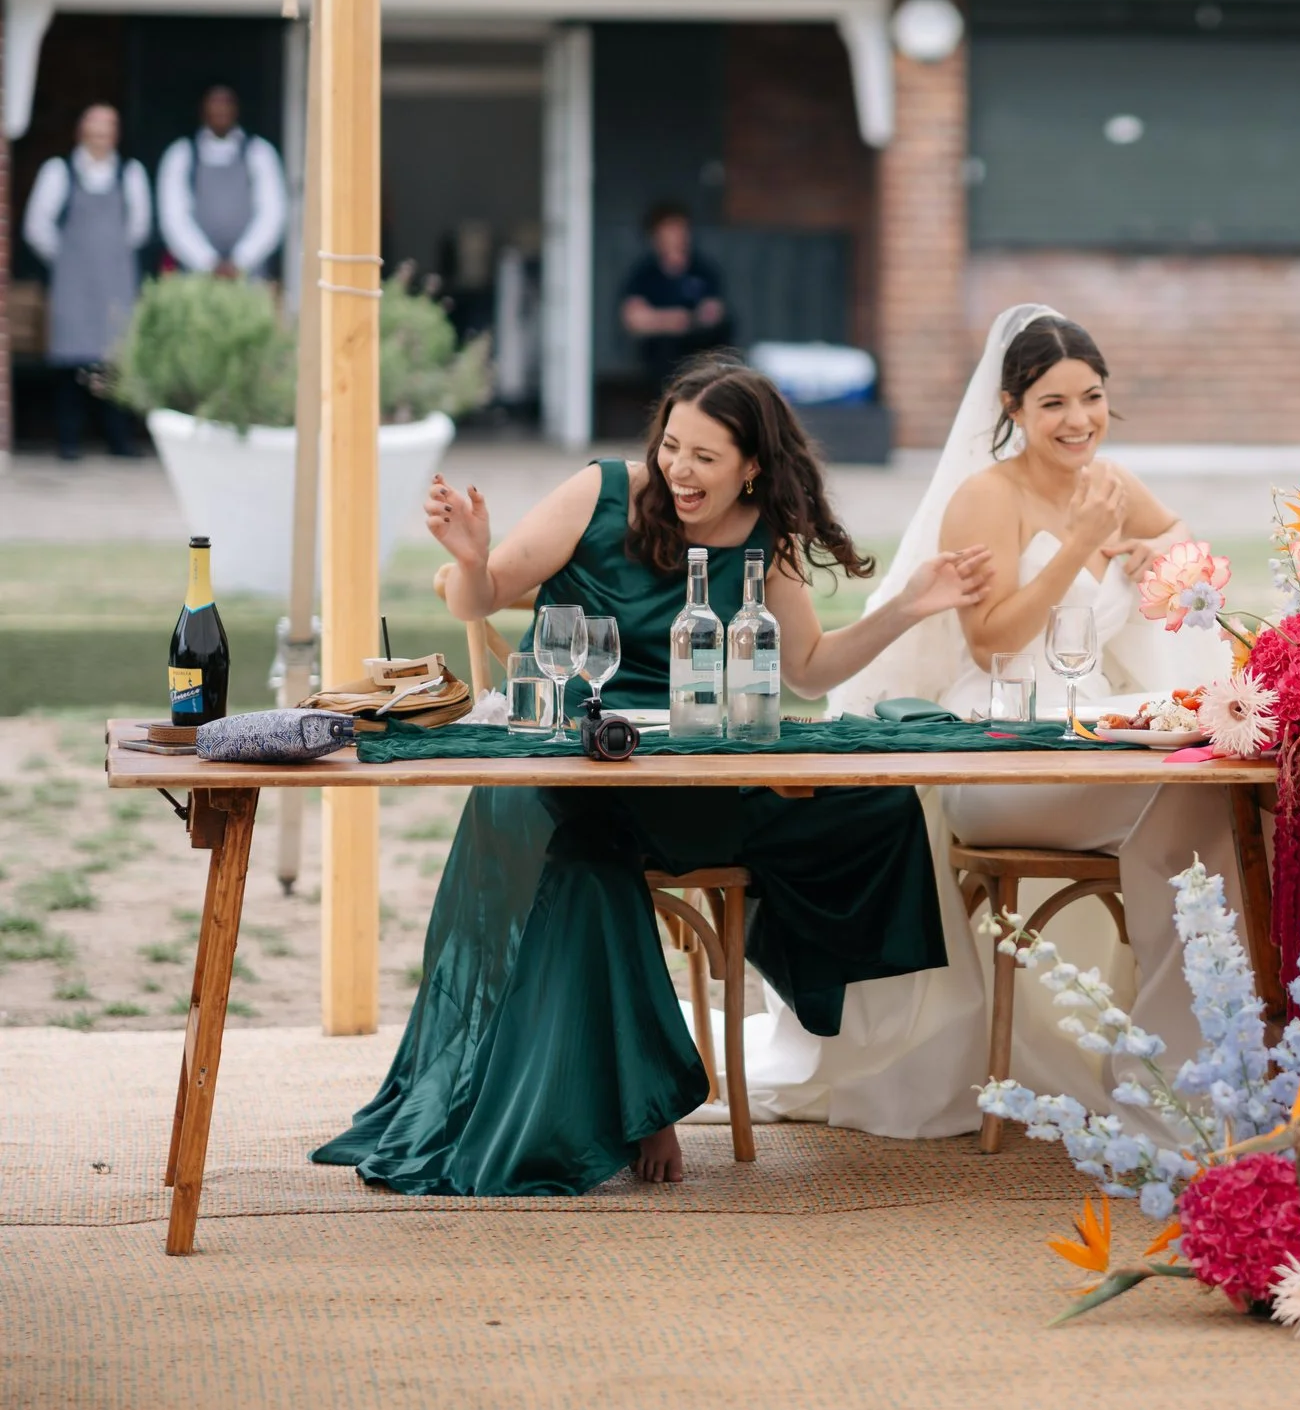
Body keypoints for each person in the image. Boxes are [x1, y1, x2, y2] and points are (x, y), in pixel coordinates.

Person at [314, 357, 994, 1193]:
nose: (679, 468)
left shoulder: (761, 536)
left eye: (706, 456)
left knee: (877, 806)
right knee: (586, 863)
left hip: (696, 772)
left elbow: (810, 672)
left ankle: (853, 1043)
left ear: (752, 465)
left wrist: (911, 605)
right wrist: (473, 560)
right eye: (673, 445)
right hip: (570, 760)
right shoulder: (602, 492)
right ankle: (648, 1103)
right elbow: (480, 598)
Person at [728, 305, 1237, 1140]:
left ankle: (1172, 1080)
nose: (1079, 421)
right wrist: (1078, 547)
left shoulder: (1116, 484)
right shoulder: (985, 498)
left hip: (1100, 727)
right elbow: (993, 637)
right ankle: (1163, 1080)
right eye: (1054, 403)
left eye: (1093, 397)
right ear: (1012, 407)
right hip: (999, 751)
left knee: (1204, 802)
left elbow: (1196, 560)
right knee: (1175, 797)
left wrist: (1162, 557)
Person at [22, 104, 151, 459]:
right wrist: (67, 258)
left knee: (114, 362)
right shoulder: (59, 171)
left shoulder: (130, 173)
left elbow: (138, 228)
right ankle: (69, 440)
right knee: (70, 361)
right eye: (94, 128)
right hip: (73, 281)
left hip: (115, 278)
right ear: (81, 131)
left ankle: (118, 439)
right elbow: (37, 226)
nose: (100, 136)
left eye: (107, 128)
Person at [156, 85, 287, 280]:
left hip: (249, 276)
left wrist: (241, 261)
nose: (220, 110)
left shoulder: (259, 152)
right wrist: (208, 262)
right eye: (214, 103)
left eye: (226, 103)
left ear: (237, 109)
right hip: (195, 275)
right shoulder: (181, 155)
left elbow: (272, 214)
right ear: (202, 109)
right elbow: (174, 218)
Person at [619, 203, 732, 390]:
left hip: (699, 358)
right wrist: (675, 320)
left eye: (681, 229)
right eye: (670, 230)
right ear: (655, 235)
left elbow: (714, 313)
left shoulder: (703, 270)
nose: (677, 236)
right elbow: (633, 319)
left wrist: (682, 321)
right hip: (658, 364)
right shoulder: (644, 274)